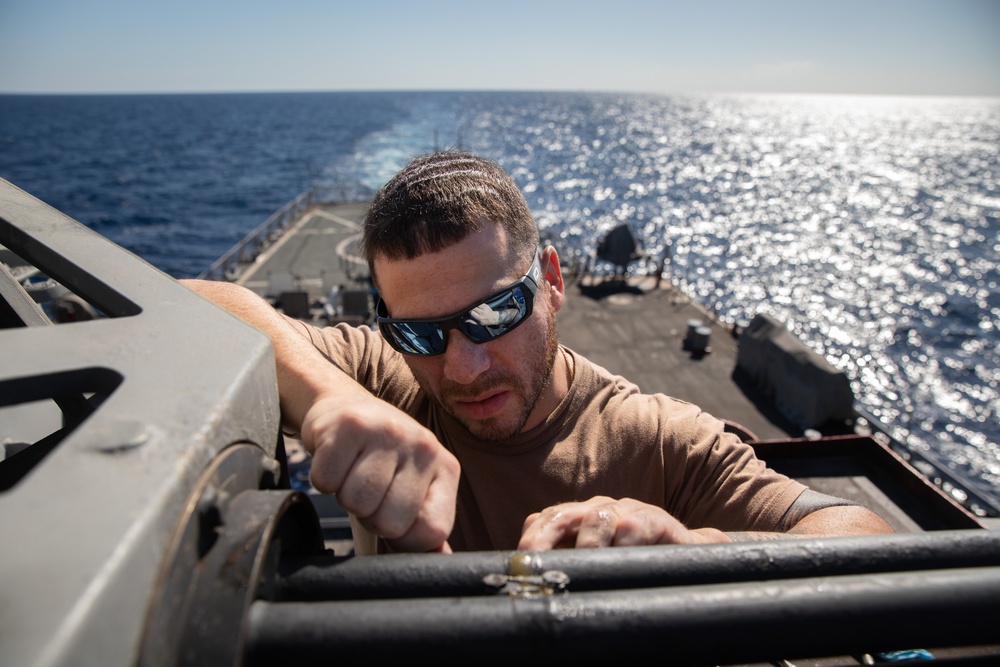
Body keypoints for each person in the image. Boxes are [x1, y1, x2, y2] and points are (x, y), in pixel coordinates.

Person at [184, 151, 892, 554]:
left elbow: (862, 535)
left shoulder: (659, 440)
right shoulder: (382, 375)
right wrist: (330, 397)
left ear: (552, 281)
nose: (462, 367)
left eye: (496, 312)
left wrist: (688, 547)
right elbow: (198, 305)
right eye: (422, 334)